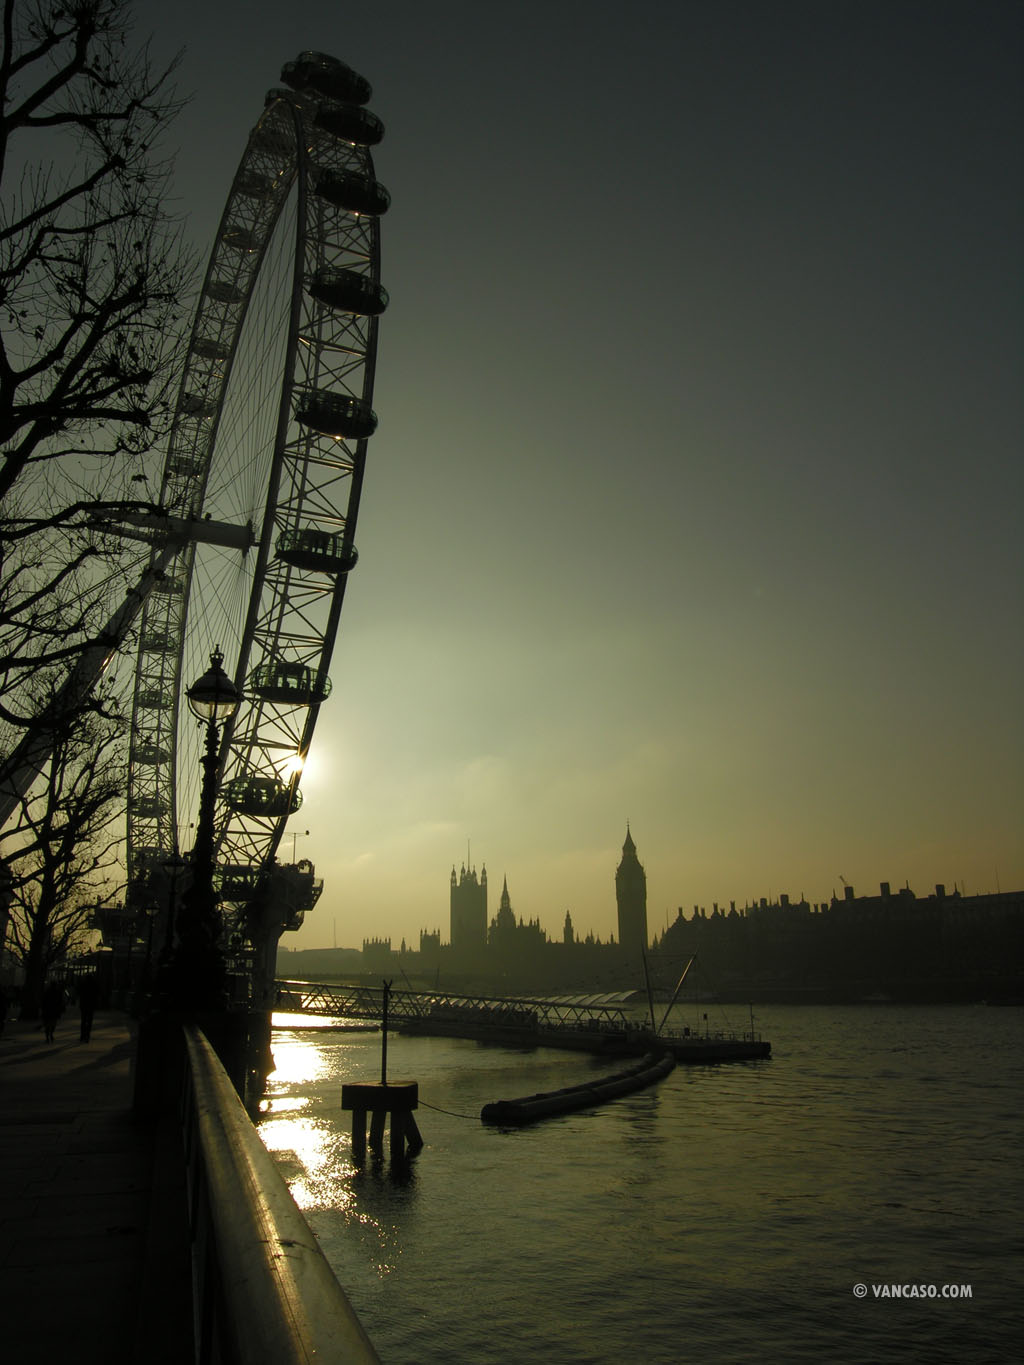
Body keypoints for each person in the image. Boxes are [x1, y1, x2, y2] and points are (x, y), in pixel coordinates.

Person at [77, 973, 98, 1042]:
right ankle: (87, 1036)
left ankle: (82, 1036)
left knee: (83, 1020)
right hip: (91, 1005)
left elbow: (79, 992)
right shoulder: (94, 984)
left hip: (84, 1005)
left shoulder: (83, 984)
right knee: (89, 1021)